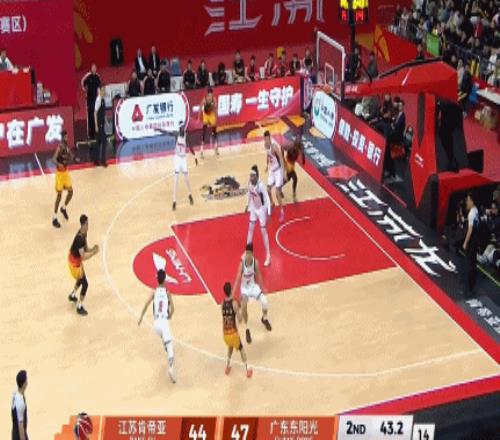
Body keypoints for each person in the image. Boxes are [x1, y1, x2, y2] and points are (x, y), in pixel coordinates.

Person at [138, 269, 176, 383]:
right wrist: (170, 315)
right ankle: (171, 368)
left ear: (157, 279)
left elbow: (146, 305)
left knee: (165, 339)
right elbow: (173, 309)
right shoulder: (167, 293)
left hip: (156, 325)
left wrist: (141, 318)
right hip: (164, 322)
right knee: (170, 349)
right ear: (165, 280)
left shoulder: (154, 292)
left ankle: (165, 343)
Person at [233, 243, 272, 345]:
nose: (248, 255)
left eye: (249, 253)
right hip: (244, 289)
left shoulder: (255, 262)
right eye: (247, 253)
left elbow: (259, 276)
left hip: (253, 286)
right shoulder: (242, 264)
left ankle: (264, 318)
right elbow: (237, 279)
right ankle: (247, 329)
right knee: (244, 306)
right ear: (246, 253)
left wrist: (263, 288)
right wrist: (232, 294)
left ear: (252, 253)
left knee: (265, 301)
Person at [67, 214, 99, 316]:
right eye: (87, 223)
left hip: (75, 260)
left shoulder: (84, 233)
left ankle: (72, 295)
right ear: (83, 224)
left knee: (81, 279)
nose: (88, 225)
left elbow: (86, 249)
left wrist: (92, 249)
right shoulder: (79, 239)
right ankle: (79, 306)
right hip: (74, 263)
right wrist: (93, 253)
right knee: (85, 284)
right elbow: (83, 257)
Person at [221, 282, 252, 378]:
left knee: (230, 346)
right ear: (231, 290)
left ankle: (227, 366)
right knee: (241, 348)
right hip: (233, 333)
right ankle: (247, 368)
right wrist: (242, 308)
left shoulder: (222, 303)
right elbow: (240, 320)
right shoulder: (234, 304)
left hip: (225, 334)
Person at [245, 165, 272, 266]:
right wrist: (247, 205)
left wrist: (269, 213)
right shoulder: (249, 183)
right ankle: (247, 253)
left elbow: (267, 198)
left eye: (252, 176)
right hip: (253, 208)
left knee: (263, 231)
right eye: (250, 176)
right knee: (250, 229)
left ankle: (268, 255)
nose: (250, 178)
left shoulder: (261, 186)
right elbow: (249, 194)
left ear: (256, 176)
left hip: (261, 209)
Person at [52, 130, 74, 228]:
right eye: (65, 136)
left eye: (67, 136)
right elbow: (53, 159)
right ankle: (54, 218)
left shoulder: (66, 147)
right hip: (60, 174)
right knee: (59, 196)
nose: (67, 138)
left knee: (71, 192)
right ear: (62, 137)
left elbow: (70, 156)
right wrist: (59, 164)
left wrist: (72, 158)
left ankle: (63, 208)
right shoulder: (60, 147)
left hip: (65, 173)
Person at [172, 124, 196, 211]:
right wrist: (159, 129)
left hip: (183, 159)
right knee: (176, 180)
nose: (183, 130)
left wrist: (195, 156)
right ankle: (174, 200)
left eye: (183, 128)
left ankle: (190, 194)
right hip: (177, 158)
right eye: (181, 129)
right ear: (179, 129)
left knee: (187, 179)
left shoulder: (186, 136)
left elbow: (190, 147)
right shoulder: (176, 134)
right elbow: (167, 132)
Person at [264, 131, 286, 223]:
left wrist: (283, 173)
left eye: (268, 138)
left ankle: (282, 212)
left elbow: (281, 159)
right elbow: (267, 155)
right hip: (271, 171)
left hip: (278, 171)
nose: (267, 140)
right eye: (265, 139)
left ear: (270, 138)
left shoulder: (274, 147)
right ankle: (272, 203)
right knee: (267, 190)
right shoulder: (265, 145)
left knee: (277, 193)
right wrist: (266, 165)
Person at [463, 192, 479, 297]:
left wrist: (465, 242)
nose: (467, 202)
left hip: (472, 241)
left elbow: (470, 229)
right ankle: (472, 286)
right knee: (473, 263)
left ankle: (468, 288)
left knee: (469, 263)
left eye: (468, 200)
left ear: (472, 201)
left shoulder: (471, 213)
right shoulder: (476, 210)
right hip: (476, 239)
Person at [81, 63, 101, 139]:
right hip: (89, 100)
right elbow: (82, 82)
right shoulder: (88, 76)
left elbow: (99, 87)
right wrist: (84, 90)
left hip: (96, 100)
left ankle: (97, 132)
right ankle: (90, 134)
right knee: (90, 116)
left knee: (95, 115)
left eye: (95, 68)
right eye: (93, 68)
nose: (94, 69)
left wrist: (99, 96)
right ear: (91, 68)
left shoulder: (97, 77)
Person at [282, 137, 305, 202]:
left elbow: (303, 158)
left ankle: (280, 187)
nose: (297, 147)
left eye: (298, 145)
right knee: (294, 178)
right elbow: (282, 147)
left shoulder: (300, 147)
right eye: (296, 145)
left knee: (289, 179)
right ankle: (292, 193)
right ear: (295, 143)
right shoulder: (290, 145)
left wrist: (303, 157)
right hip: (288, 162)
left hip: (292, 163)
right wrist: (282, 157)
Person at [200, 87, 218, 157]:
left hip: (211, 114)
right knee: (204, 131)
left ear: (212, 94)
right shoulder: (204, 99)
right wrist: (199, 117)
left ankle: (216, 147)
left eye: (211, 94)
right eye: (209, 94)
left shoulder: (214, 99)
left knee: (214, 131)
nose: (210, 96)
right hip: (206, 115)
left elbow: (215, 108)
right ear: (207, 94)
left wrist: (216, 116)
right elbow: (200, 107)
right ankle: (201, 149)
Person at [12, 370, 28, 440]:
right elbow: (20, 425)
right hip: (19, 436)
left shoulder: (15, 394)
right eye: (26, 380)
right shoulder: (20, 403)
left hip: (15, 434)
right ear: (24, 384)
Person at [94, 85, 107, 167]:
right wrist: (96, 125)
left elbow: (102, 111)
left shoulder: (103, 99)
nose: (104, 92)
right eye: (102, 90)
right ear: (100, 91)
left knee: (98, 142)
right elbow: (95, 113)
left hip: (102, 122)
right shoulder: (98, 100)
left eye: (104, 90)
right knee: (104, 141)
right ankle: (103, 161)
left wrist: (105, 119)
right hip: (99, 124)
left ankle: (96, 160)